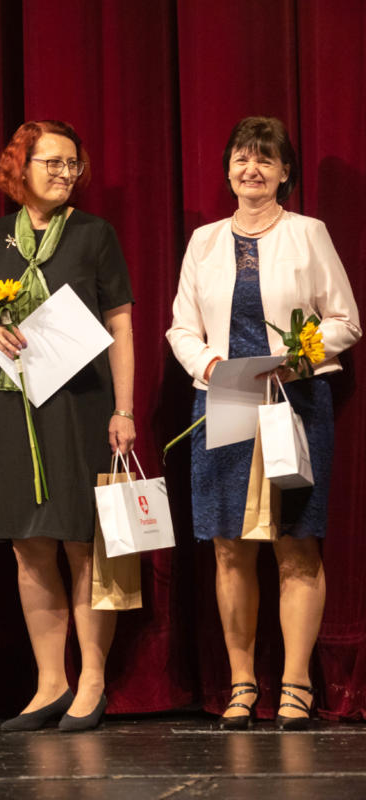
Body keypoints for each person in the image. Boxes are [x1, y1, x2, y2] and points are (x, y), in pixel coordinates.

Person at [166, 116, 360, 730]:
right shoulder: (202, 241)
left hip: (294, 399)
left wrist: (298, 357)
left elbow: (347, 321)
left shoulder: (309, 234)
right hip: (223, 397)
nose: (251, 169)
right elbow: (180, 327)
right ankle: (242, 683)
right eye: (242, 158)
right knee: (230, 544)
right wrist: (212, 364)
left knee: (296, 542)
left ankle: (297, 685)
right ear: (227, 168)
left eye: (265, 160)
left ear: (284, 174)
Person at [0, 121, 135, 731]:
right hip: (15, 403)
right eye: (53, 163)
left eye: (72, 165)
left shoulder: (94, 234)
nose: (65, 173)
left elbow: (121, 326)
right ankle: (49, 682)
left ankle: (92, 680)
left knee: (82, 541)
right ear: (20, 168)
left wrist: (125, 408)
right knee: (29, 544)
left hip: (82, 405)